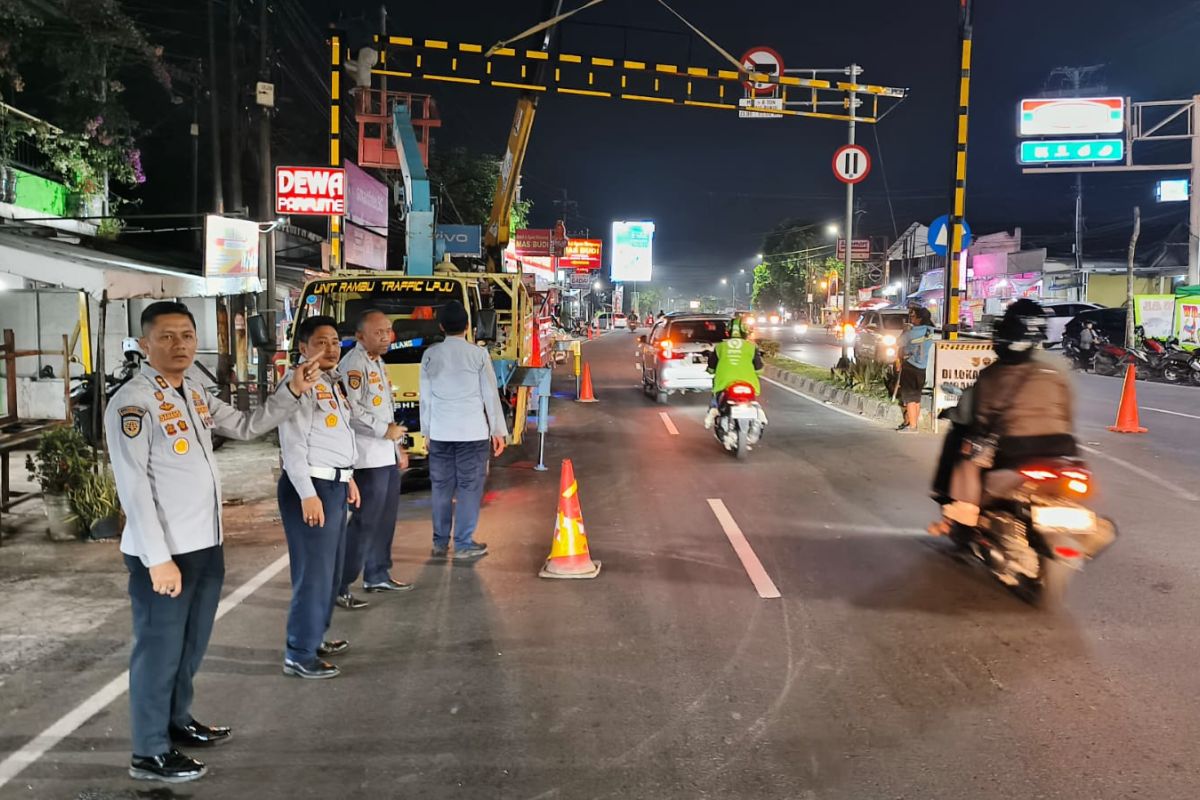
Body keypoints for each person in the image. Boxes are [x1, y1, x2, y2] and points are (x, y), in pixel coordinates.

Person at [106, 301, 319, 783]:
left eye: (186, 335)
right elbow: (133, 485)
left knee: (191, 645)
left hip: (205, 544)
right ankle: (149, 750)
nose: (179, 345)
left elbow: (246, 426)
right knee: (159, 649)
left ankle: (177, 722)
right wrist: (159, 561)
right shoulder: (133, 402)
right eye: (167, 336)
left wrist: (291, 390)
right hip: (163, 553)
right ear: (145, 345)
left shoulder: (196, 391)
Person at [930, 299, 1077, 533]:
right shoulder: (1055, 371)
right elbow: (1068, 415)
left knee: (966, 453)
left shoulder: (993, 375)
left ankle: (960, 514)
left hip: (1013, 450)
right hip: (1063, 448)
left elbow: (977, 420)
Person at [277, 315, 362, 680]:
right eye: (321, 342)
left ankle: (315, 637)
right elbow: (293, 445)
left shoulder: (330, 382)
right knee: (313, 573)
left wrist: (349, 478)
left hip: (334, 485)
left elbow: (337, 437)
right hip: (310, 487)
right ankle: (299, 652)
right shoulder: (298, 385)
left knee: (329, 570)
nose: (330, 348)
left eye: (334, 342)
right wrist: (307, 495)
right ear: (302, 348)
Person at [419, 300, 509, 559]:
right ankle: (463, 543)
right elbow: (490, 395)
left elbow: (425, 399)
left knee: (441, 487)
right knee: (469, 487)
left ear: (441, 326)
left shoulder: (430, 355)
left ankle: (439, 542)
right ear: (468, 326)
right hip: (472, 434)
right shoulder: (478, 354)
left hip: (440, 433)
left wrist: (426, 432)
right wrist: (498, 431)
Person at [337, 309, 411, 606]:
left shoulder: (376, 362)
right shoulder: (353, 366)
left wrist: (397, 447)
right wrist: (385, 432)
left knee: (385, 520)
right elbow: (353, 412)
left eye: (388, 331)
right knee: (364, 523)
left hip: (385, 456)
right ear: (360, 336)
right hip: (366, 458)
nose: (386, 337)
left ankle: (377, 573)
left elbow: (385, 411)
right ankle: (340, 583)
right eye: (378, 332)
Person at [703, 316, 764, 429]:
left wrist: (710, 370)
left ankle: (713, 410)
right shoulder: (751, 347)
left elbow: (711, 367)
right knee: (753, 400)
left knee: (715, 396)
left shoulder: (720, 347)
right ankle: (758, 411)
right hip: (748, 383)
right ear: (745, 331)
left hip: (724, 382)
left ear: (728, 331)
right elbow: (759, 369)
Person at [895, 306, 935, 432]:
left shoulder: (911, 333)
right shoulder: (930, 330)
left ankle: (912, 427)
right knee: (916, 398)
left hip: (910, 366)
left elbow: (899, 342)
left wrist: (905, 330)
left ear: (919, 318)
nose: (911, 318)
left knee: (910, 399)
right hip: (922, 368)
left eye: (913, 316)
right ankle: (914, 424)